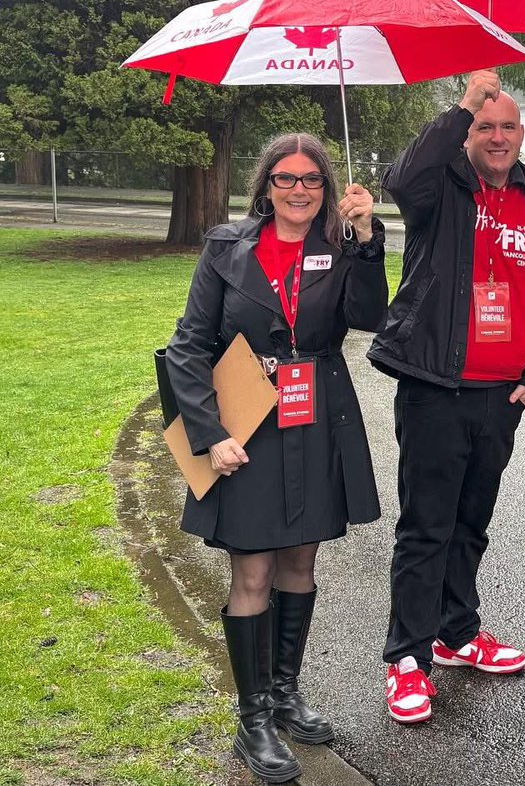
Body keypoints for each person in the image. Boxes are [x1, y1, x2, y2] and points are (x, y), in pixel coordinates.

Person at [166, 133, 387, 782]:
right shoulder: (226, 248)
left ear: (326, 187)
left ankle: (286, 693)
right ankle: (253, 717)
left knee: (299, 560)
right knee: (253, 570)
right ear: (266, 185)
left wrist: (367, 238)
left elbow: (370, 315)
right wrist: (210, 433)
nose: (298, 189)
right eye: (286, 178)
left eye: (311, 179)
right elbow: (188, 345)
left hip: (314, 418)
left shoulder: (340, 246)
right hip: (246, 424)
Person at [370, 69, 525, 725]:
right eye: (484, 126)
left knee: (470, 524)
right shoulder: (442, 185)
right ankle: (407, 658)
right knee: (426, 526)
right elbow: (402, 179)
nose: (497, 137)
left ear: (522, 134)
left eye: (508, 126)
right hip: (436, 386)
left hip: (500, 395)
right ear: (467, 133)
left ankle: (456, 633)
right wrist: (463, 102)